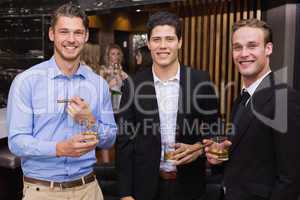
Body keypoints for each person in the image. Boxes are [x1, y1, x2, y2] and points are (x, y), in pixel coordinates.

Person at [7, 3, 117, 200]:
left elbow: (110, 140)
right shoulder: (26, 81)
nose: (71, 40)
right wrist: (58, 149)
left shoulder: (98, 84)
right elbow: (16, 142)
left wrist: (90, 120)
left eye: (78, 33)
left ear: (86, 36)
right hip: (42, 191)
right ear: (52, 34)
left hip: (88, 189)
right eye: (64, 32)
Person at [117, 11, 218, 200]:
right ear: (148, 43)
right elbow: (124, 143)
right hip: (145, 189)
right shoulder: (132, 85)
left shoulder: (200, 80)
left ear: (179, 42)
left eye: (169, 39)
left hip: (190, 188)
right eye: (156, 39)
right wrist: (125, 194)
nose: (163, 46)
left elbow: (213, 132)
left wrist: (198, 149)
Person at [204, 19, 300, 200]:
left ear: (268, 49)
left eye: (252, 46)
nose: (243, 53)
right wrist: (219, 159)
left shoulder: (285, 98)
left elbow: (290, 179)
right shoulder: (240, 99)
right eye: (237, 47)